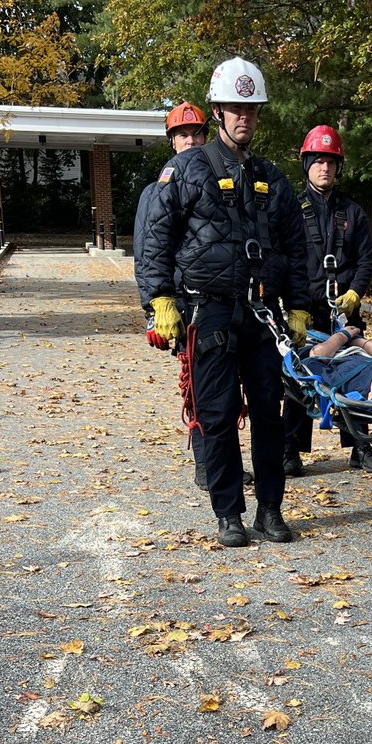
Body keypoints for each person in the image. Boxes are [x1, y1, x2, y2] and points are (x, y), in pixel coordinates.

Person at [139, 57, 310, 547]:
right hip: (208, 310)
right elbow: (156, 240)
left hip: (261, 315)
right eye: (235, 108)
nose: (244, 117)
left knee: (268, 415)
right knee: (215, 417)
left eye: (251, 109)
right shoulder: (186, 170)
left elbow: (296, 251)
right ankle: (229, 513)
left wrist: (298, 308)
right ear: (217, 111)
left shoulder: (273, 180)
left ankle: (270, 510)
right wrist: (159, 301)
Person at [135, 102, 253, 493]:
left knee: (225, 387)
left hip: (219, 302)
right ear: (171, 141)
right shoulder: (158, 190)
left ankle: (221, 464)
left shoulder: (218, 181)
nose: (190, 140)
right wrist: (155, 306)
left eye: (196, 134)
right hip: (182, 306)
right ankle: (208, 466)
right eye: (182, 135)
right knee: (199, 389)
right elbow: (148, 250)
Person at [283, 125, 372, 476]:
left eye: (330, 162)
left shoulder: (351, 212)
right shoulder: (292, 209)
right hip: (303, 311)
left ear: (338, 167)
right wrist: (291, 306)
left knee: (354, 375)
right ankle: (289, 449)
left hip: (343, 310)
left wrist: (355, 290)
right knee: (298, 379)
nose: (324, 168)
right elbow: (286, 260)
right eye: (318, 161)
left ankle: (360, 447)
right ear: (307, 164)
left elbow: (365, 259)